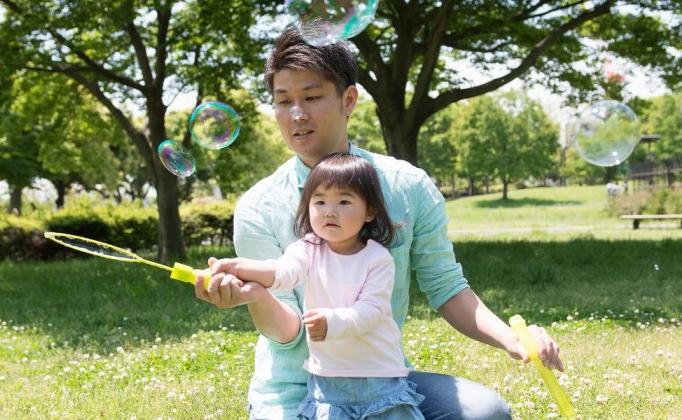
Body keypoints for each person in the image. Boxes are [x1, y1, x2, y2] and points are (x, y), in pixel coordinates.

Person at [195, 26, 564, 420]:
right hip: (294, 389)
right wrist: (256, 295)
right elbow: (288, 335)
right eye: (283, 101)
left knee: (485, 413)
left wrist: (513, 340)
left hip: (381, 382)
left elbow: (446, 286)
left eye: (312, 96)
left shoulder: (407, 186)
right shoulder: (258, 207)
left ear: (348, 99)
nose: (296, 114)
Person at [208, 152, 424, 419]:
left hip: (379, 378)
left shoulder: (377, 258)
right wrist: (239, 267)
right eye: (319, 201)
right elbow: (283, 272)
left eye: (344, 201)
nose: (329, 211)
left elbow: (372, 309)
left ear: (369, 211)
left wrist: (332, 322)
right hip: (327, 382)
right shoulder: (308, 249)